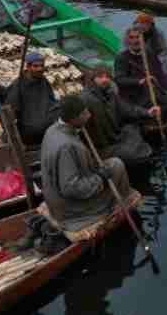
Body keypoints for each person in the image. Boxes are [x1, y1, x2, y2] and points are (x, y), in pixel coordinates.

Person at [40, 94, 135, 233]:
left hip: (56, 197)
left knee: (113, 164)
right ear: (73, 119)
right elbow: (71, 188)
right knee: (117, 165)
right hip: (70, 209)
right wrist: (100, 177)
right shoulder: (66, 146)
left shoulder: (52, 129)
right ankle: (120, 203)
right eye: (84, 113)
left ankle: (119, 199)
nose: (89, 115)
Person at [80, 60, 156, 165]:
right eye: (100, 77)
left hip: (116, 135)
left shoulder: (110, 93)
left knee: (133, 129)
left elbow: (127, 109)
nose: (104, 80)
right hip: (103, 146)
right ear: (93, 78)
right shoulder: (85, 99)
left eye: (107, 77)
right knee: (133, 154)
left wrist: (147, 112)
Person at [114, 26, 167, 119]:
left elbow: (159, 74)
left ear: (142, 39)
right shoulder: (122, 58)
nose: (135, 41)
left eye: (138, 37)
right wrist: (139, 81)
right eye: (131, 37)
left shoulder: (149, 54)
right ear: (127, 40)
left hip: (151, 91)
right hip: (134, 95)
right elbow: (119, 79)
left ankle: (159, 111)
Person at [4, 52, 60, 146]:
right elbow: (10, 111)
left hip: (46, 124)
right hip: (29, 130)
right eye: (36, 66)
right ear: (28, 67)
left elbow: (51, 101)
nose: (40, 69)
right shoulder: (17, 86)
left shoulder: (43, 81)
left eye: (42, 66)